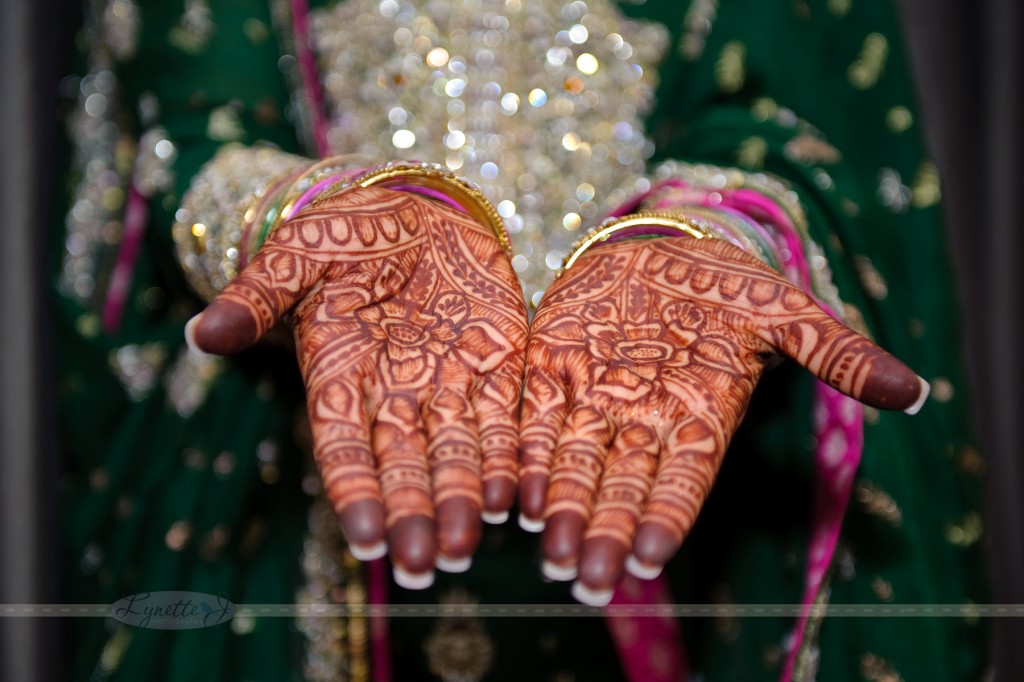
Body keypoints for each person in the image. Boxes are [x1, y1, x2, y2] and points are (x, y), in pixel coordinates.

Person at [54, 0, 988, 680]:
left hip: (681, 480)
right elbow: (184, 129)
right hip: (296, 505)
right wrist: (300, 216)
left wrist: (716, 236)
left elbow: (801, 120)